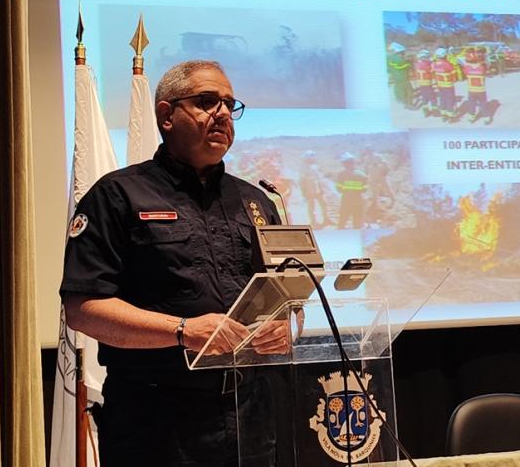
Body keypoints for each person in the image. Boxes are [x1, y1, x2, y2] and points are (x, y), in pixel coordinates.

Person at [59, 60, 290, 467]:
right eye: (207, 101)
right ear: (167, 115)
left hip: (250, 415)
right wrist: (183, 331)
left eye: (229, 104)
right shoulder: (117, 195)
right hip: (155, 422)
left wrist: (286, 327)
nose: (223, 113)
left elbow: (284, 297)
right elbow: (83, 309)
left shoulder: (256, 202)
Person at [298, 149, 331, 227]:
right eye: (311, 157)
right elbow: (301, 180)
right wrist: (304, 191)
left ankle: (326, 219)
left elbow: (319, 178)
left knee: (324, 204)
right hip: (310, 190)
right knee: (312, 206)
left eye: (313, 157)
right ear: (307, 158)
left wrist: (322, 188)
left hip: (318, 189)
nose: (313, 159)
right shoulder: (304, 167)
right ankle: (313, 222)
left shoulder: (315, 166)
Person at [335, 152, 368, 229]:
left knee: (342, 221)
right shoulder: (362, 175)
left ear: (344, 164)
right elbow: (364, 189)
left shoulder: (341, 174)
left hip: (346, 200)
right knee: (357, 223)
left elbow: (339, 189)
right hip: (359, 200)